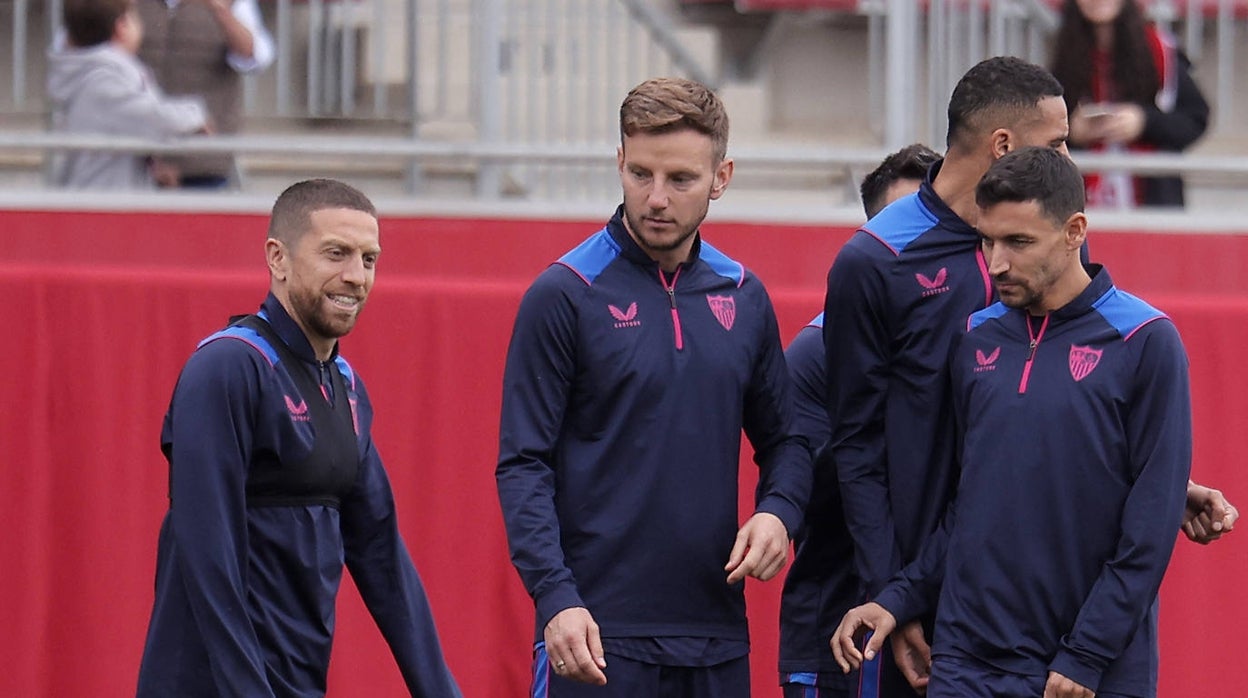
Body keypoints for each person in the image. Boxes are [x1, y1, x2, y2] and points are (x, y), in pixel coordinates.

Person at [821, 56, 1236, 698]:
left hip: (1069, 641)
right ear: (1004, 146)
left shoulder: (1127, 324)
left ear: (1070, 235)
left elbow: (1063, 419)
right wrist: (891, 593)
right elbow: (859, 447)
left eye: (1016, 242)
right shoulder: (881, 266)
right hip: (947, 617)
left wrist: (1161, 480)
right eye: (1059, 143)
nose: (999, 262)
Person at [495, 77, 811, 697]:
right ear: (619, 163)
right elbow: (522, 464)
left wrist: (780, 513)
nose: (656, 198)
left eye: (680, 180)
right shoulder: (564, 294)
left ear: (721, 178)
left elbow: (791, 441)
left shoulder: (743, 297)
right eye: (640, 174)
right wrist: (556, 598)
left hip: (716, 633)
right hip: (592, 635)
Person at [136, 179, 461, 697]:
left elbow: (381, 555)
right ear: (278, 258)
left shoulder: (346, 387)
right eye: (336, 253)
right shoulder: (227, 367)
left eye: (369, 259)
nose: (355, 276)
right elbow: (208, 556)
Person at [779, 143, 939, 698]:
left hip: (950, 642)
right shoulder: (814, 356)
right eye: (904, 228)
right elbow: (803, 490)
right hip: (843, 648)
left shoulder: (975, 339)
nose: (921, 245)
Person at [1050, 0, 1210, 208]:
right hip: (1082, 203)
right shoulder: (1063, 55)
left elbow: (1195, 119)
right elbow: (1040, 135)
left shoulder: (1160, 52)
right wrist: (1072, 132)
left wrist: (1144, 122)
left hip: (1152, 199)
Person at [46, 0, 208, 189]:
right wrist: (196, 116)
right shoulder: (103, 81)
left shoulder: (98, 74)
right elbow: (154, 118)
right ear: (122, 27)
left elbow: (123, 129)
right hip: (100, 202)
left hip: (108, 194)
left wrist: (150, 168)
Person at [136, 0, 275, 188]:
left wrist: (221, 11)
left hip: (204, 162)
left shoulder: (235, 3)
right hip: (135, 160)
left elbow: (255, 56)